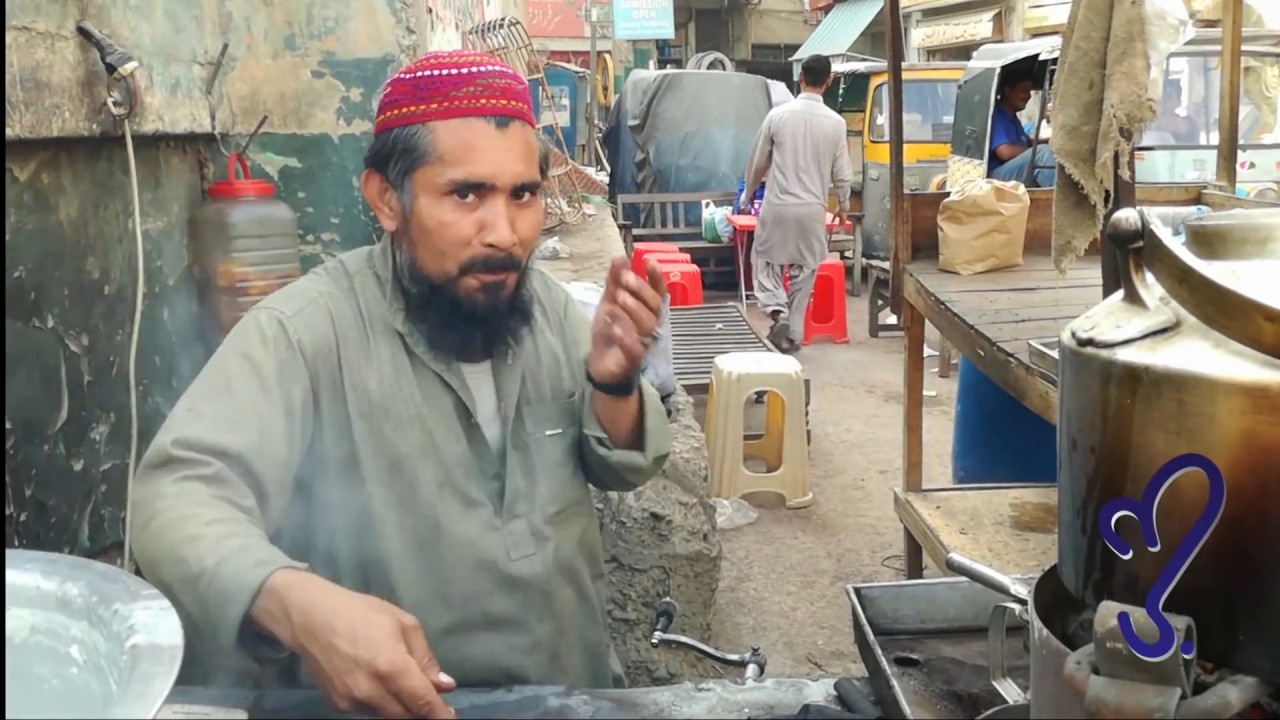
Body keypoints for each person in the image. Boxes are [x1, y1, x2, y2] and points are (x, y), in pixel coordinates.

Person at [128, 50, 673, 720]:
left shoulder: (547, 308)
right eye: (465, 194)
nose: (503, 234)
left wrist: (612, 385)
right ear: (388, 200)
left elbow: (618, 465)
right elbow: (174, 497)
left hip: (570, 695)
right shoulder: (306, 331)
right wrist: (300, 607)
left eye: (522, 195)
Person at [739, 54, 854, 353]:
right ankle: (794, 333)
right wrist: (843, 205)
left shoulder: (777, 116)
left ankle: (778, 314)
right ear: (829, 82)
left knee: (764, 262)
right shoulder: (837, 124)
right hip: (813, 211)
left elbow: (757, 163)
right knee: (805, 271)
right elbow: (842, 174)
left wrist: (747, 194)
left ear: (800, 77)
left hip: (778, 207)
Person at [989, 70, 1057, 188]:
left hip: (1012, 171)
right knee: (1042, 154)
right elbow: (1005, 152)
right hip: (996, 177)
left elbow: (1027, 144)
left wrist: (1052, 142)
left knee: (1049, 149)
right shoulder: (998, 115)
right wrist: (1038, 149)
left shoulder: (1013, 118)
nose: (1028, 96)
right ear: (1008, 91)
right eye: (1023, 91)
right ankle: (1058, 196)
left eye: (1029, 92)